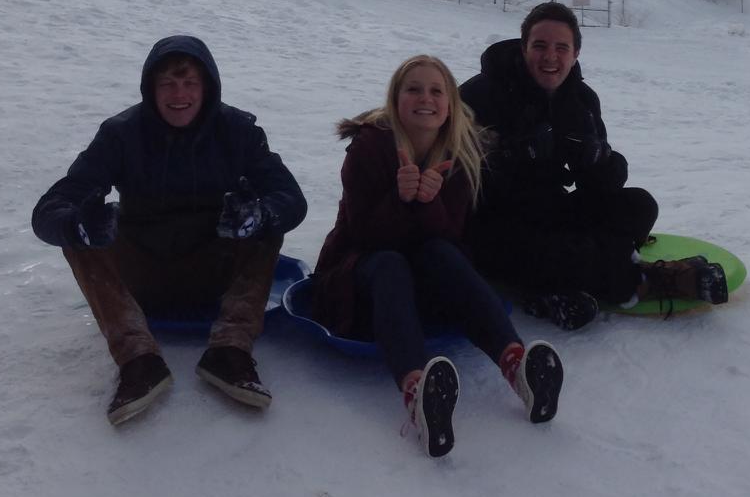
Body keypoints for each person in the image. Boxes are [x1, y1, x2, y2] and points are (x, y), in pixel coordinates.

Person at [33, 35, 307, 424]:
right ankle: (138, 360)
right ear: (151, 89)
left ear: (207, 86)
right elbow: (51, 208)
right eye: (168, 84)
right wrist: (77, 224)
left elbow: (290, 198)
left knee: (265, 221)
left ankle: (231, 351)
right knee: (79, 232)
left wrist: (261, 215)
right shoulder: (120, 135)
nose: (179, 94)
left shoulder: (238, 131)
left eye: (190, 83)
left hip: (215, 271)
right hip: (141, 273)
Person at [299, 54, 561, 456]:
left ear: (450, 103)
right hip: (356, 282)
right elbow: (364, 236)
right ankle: (418, 390)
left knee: (442, 253)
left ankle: (516, 364)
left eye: (437, 90)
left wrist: (428, 202)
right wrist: (400, 199)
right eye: (414, 89)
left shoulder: (458, 153)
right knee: (390, 262)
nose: (427, 98)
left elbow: (450, 235)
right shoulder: (369, 149)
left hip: (419, 289)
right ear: (396, 99)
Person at [461, 3, 714, 327]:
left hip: (550, 211)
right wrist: (513, 158)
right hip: (493, 223)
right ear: (524, 48)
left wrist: (599, 160)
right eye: (539, 46)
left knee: (639, 206)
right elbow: (452, 174)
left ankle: (555, 284)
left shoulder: (580, 100)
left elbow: (601, 186)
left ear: (575, 53)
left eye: (561, 47)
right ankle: (644, 280)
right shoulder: (481, 94)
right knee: (559, 249)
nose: (550, 57)